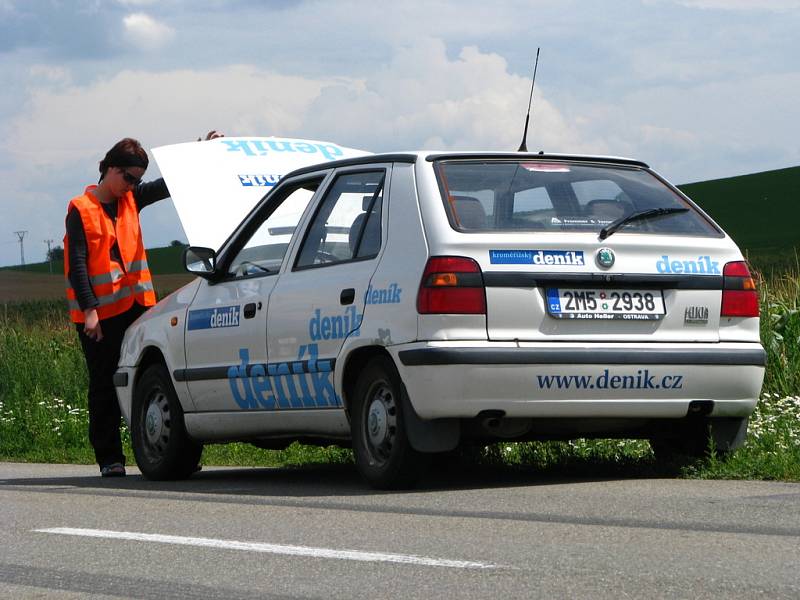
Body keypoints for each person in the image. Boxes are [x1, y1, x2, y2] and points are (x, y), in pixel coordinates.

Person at [64, 131, 223, 477]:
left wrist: (199, 152)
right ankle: (110, 459)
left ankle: (170, 451)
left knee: (155, 376)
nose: (132, 185)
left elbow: (169, 186)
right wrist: (90, 311)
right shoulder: (81, 209)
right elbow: (78, 265)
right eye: (127, 177)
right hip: (100, 316)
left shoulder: (132, 199)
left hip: (137, 306)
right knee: (104, 384)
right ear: (108, 168)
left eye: (137, 179)